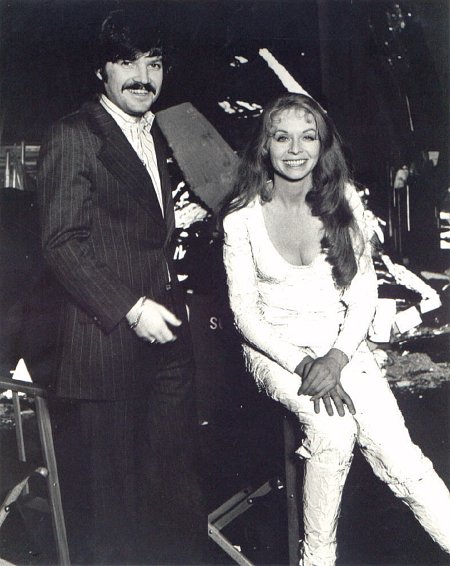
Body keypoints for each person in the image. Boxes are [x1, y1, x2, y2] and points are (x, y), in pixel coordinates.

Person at [221, 92, 450, 565]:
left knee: (404, 461)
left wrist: (336, 357)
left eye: (308, 137)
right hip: (275, 350)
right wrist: (306, 364)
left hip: (341, 345)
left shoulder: (341, 201)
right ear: (264, 146)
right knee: (332, 431)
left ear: (322, 145)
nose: (295, 149)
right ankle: (317, 559)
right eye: (281, 137)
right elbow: (245, 316)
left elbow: (363, 291)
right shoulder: (241, 219)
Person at [36, 10, 204, 564]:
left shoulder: (157, 133)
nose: (143, 77)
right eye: (127, 62)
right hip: (105, 348)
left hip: (168, 347)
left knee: (175, 507)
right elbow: (62, 243)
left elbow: (147, 236)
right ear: (101, 69)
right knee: (114, 523)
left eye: (153, 63)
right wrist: (132, 308)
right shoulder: (74, 135)